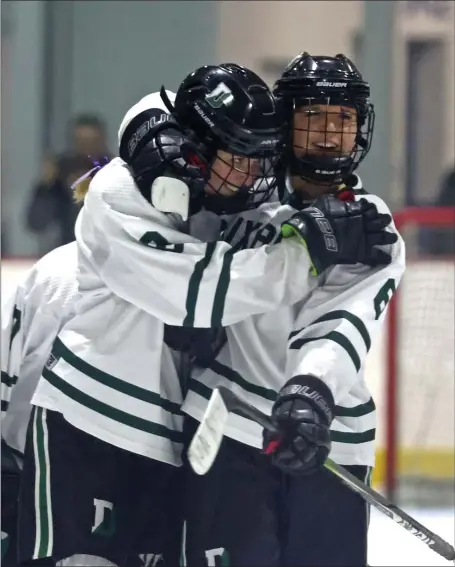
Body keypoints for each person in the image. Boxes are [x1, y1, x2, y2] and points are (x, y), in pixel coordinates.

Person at [11, 63, 387, 567]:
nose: (248, 173)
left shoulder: (225, 206)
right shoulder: (121, 190)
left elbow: (338, 320)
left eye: (255, 157)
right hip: (89, 425)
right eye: (235, 157)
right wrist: (306, 253)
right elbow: (196, 292)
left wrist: (311, 392)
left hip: (174, 439)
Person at [180, 53, 405, 567]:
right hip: (231, 429)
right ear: (286, 120)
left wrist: (310, 395)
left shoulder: (372, 228)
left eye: (344, 119)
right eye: (314, 116)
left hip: (324, 435)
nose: (330, 133)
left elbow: (342, 323)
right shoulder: (239, 202)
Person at [26, 114, 111, 254]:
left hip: (108, 253)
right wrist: (45, 185)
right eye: (81, 143)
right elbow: (36, 224)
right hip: (67, 253)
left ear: (103, 142)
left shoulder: (116, 172)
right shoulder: (60, 173)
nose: (87, 151)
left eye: (92, 143)